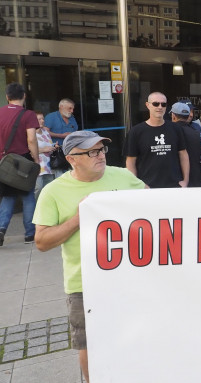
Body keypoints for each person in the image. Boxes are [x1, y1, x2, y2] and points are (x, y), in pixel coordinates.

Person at [33, 130, 146, 382]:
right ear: (72, 158)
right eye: (91, 152)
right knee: (90, 345)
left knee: (134, 337)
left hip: (131, 277)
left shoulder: (123, 175)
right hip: (84, 284)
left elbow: (155, 201)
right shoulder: (53, 191)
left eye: (102, 149)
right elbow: (41, 241)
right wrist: (79, 217)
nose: (100, 156)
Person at [0, 83, 40, 246]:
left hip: (4, 163)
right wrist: (36, 160)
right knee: (28, 197)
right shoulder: (28, 115)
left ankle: (1, 229)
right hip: (23, 161)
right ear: (24, 96)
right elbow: (31, 138)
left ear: (7, 97)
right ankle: (30, 235)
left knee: (8, 197)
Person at [125, 92, 189, 188]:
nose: (160, 107)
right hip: (148, 187)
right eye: (156, 104)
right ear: (148, 105)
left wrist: (185, 181)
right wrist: (138, 185)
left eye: (163, 104)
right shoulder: (136, 132)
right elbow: (130, 162)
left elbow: (183, 155)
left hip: (174, 186)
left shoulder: (176, 129)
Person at [170, 102, 201, 187]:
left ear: (173, 116)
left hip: (174, 180)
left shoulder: (168, 133)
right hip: (196, 180)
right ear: (188, 116)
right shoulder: (198, 134)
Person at [35, 111, 56, 199]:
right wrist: (44, 149)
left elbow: (49, 145)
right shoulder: (29, 133)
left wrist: (54, 146)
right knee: (38, 188)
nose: (42, 121)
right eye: (39, 119)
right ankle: (36, 208)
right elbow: (27, 149)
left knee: (48, 188)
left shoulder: (45, 131)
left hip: (48, 165)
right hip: (37, 165)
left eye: (43, 118)